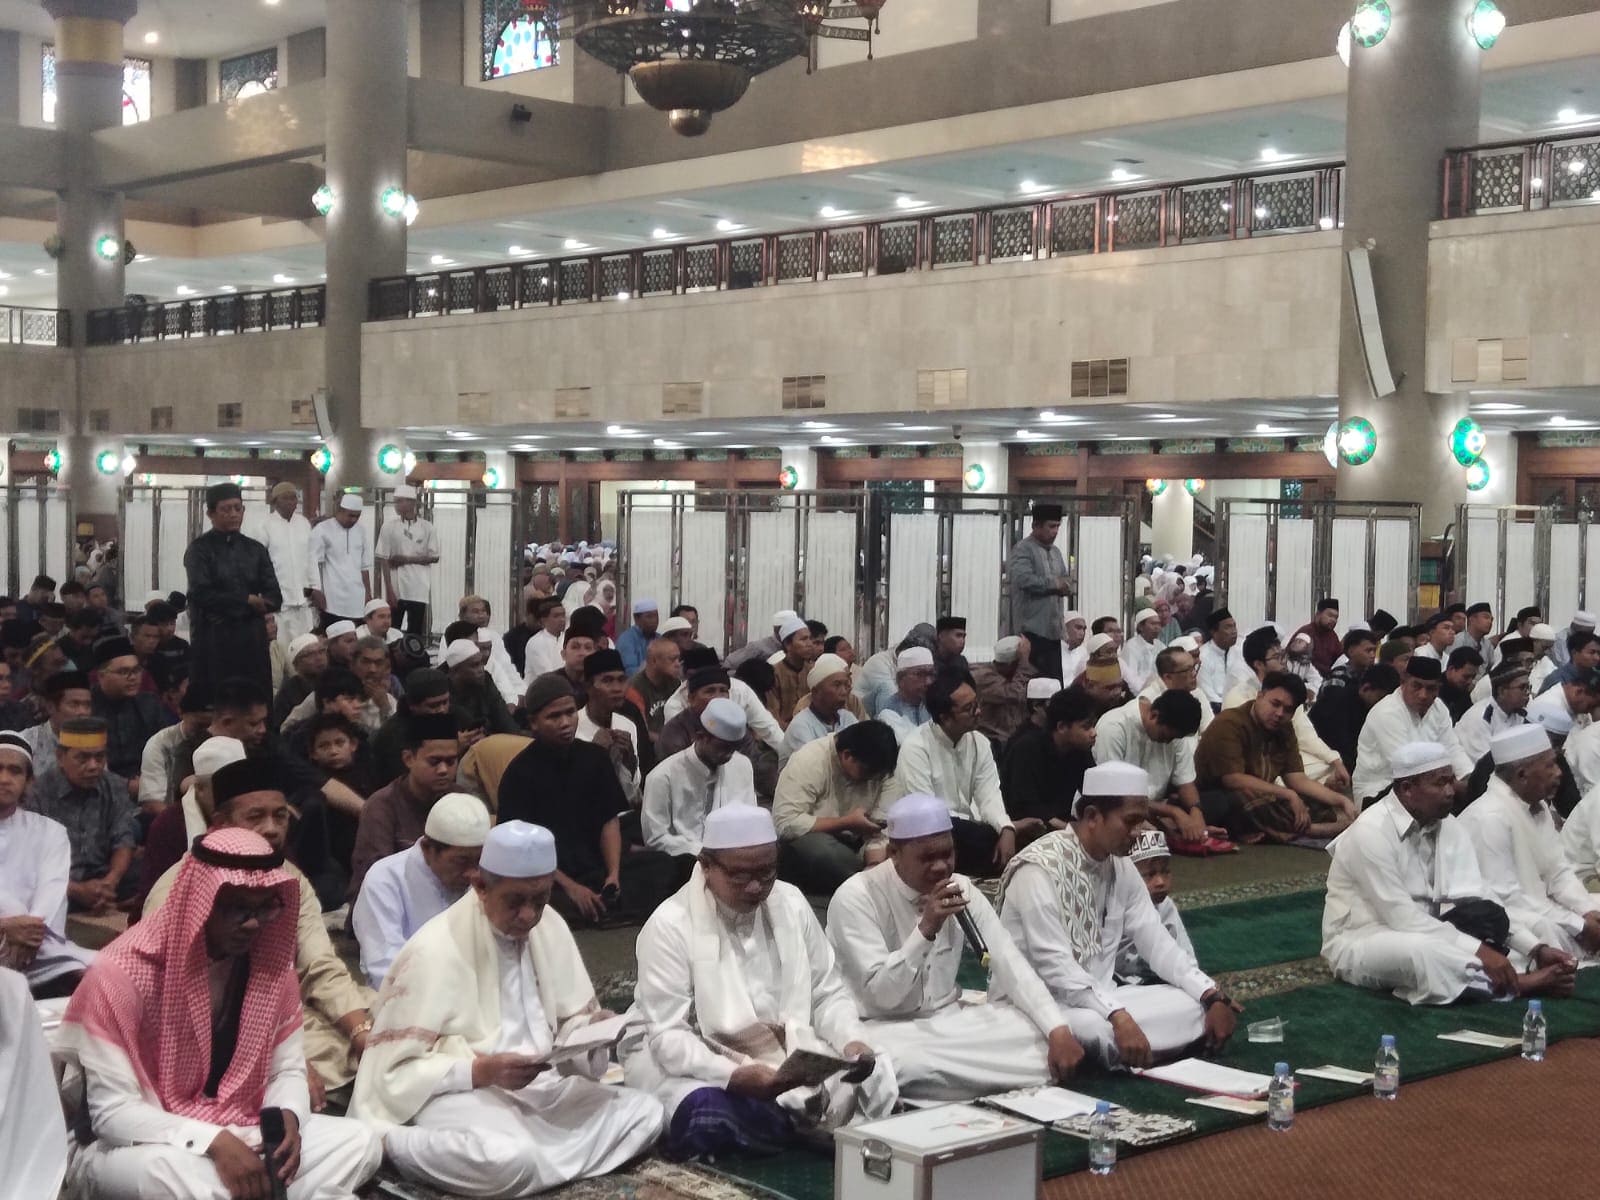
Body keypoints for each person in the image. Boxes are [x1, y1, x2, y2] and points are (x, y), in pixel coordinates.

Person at [63, 828, 384, 1200]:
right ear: (199, 902)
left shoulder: (269, 963)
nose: (253, 924)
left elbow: (287, 1069)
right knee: (167, 1176)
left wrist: (288, 1117)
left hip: (240, 1127)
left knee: (359, 1141)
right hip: (140, 1146)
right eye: (238, 909)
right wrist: (214, 1143)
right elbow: (112, 1114)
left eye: (265, 908)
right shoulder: (120, 973)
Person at [352, 821, 663, 1195]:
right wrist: (481, 1071)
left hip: (543, 1088)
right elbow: (393, 1071)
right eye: (515, 902)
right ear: (480, 887)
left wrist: (593, 1029)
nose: (529, 916)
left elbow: (569, 1029)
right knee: (505, 1159)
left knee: (646, 1113)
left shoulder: (550, 927)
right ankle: (392, 1142)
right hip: (466, 1095)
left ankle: (534, 1169)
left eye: (540, 901)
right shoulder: (433, 950)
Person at [621, 805, 894, 1159]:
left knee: (874, 1069)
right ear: (706, 865)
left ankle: (785, 1125)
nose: (755, 887)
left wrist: (851, 1040)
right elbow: (669, 1037)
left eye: (766, 873)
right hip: (693, 1060)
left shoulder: (791, 902)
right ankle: (794, 1126)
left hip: (787, 1054)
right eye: (739, 876)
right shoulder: (669, 925)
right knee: (704, 1112)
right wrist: (734, 1076)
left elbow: (827, 993)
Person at [827, 793, 1093, 1099]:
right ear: (894, 853)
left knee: (1032, 1031)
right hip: (885, 1027)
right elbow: (883, 996)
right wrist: (925, 930)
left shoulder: (962, 887)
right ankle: (942, 1080)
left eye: (948, 854)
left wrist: (1057, 1029)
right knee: (895, 1061)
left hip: (952, 1024)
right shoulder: (856, 897)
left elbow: (1009, 962)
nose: (941, 867)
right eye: (928, 858)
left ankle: (931, 1087)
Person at [144, 760, 376, 1095]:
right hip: (211, 1029)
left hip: (285, 1006)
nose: (272, 829)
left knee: (389, 1020)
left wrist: (359, 1030)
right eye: (255, 817)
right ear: (220, 825)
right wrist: (283, 1061)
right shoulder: (180, 886)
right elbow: (173, 1001)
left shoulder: (290, 877)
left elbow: (319, 964)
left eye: (280, 816)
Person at [996, 762, 1238, 1067]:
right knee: (1094, 1029)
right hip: (1042, 1005)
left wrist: (1211, 995)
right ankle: (1126, 1045)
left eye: (1142, 822)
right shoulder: (1038, 870)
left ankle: (1125, 1049)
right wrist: (1118, 1016)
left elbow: (1158, 943)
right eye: (1130, 822)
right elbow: (1055, 966)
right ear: (1092, 817)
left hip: (1102, 998)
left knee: (1190, 1003)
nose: (1138, 833)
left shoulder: (1119, 865)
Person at [1322, 740, 1574, 1005]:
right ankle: (1517, 984)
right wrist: (1479, 950)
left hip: (1431, 928)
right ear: (1407, 789)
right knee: (1422, 952)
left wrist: (1536, 948)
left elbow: (1479, 895)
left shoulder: (1448, 825)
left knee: (1494, 923)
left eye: (1451, 781)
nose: (1450, 791)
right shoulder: (1370, 832)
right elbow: (1403, 919)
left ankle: (1499, 973)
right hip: (1363, 938)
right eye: (1440, 783)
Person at [498, 676, 660, 924]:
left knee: (664, 864)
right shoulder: (519, 774)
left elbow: (609, 821)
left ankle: (603, 904)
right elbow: (522, 848)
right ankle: (603, 910)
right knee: (532, 895)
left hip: (595, 867)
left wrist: (613, 875)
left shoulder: (595, 757)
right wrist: (572, 888)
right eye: (554, 717)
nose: (565, 722)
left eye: (570, 713)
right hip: (550, 875)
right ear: (534, 723)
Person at [1459, 725, 1600, 961]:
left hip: (1543, 905)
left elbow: (1559, 872)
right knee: (1544, 929)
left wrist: (1587, 911)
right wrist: (1579, 925)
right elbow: (1507, 900)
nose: (1559, 773)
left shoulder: (1539, 804)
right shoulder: (1489, 817)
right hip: (1507, 917)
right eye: (1550, 766)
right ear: (1522, 775)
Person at [351, 791, 491, 989]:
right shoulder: (384, 879)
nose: (473, 873)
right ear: (427, 848)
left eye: (479, 860)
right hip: (408, 996)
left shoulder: (488, 876)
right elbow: (386, 969)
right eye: (461, 861)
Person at [1196, 671, 1357, 842]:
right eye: (1275, 704)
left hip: (1262, 792)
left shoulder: (1284, 729)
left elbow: (1298, 779)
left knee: (1309, 800)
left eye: (1288, 710)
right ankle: (1310, 830)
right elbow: (1233, 780)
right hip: (1216, 796)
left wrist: (1340, 800)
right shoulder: (1229, 723)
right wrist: (1287, 794)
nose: (1280, 713)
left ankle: (1277, 828)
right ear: (1260, 696)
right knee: (1244, 798)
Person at [0, 731, 96, 996]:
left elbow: (51, 895)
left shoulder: (49, 832)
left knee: (106, 972)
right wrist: (6, 929)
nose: (4, 778)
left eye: (14, 771)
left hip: (37, 949)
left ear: (29, 782)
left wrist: (28, 935)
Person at [895, 671, 1015, 876]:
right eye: (969, 709)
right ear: (945, 717)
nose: (978, 712)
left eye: (977, 704)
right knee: (981, 838)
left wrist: (1006, 828)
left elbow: (989, 796)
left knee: (1004, 838)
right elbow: (925, 814)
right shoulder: (916, 747)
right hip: (929, 832)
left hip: (969, 830)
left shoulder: (979, 742)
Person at [773, 720, 902, 895]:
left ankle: (870, 883)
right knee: (821, 851)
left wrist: (874, 865)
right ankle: (865, 885)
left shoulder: (884, 771)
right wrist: (846, 822)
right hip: (816, 844)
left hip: (861, 848)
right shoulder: (810, 760)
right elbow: (786, 824)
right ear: (847, 755)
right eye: (867, 773)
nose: (872, 779)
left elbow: (882, 827)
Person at [26, 717, 137, 913]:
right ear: (60, 757)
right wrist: (76, 890)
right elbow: (31, 861)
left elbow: (123, 839)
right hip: (58, 881)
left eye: (99, 757)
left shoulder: (114, 785)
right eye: (83, 758)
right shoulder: (37, 794)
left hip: (103, 877)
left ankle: (104, 899)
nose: (93, 766)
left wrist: (111, 881)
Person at [349, 713, 462, 899]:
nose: (443, 770)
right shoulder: (381, 807)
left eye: (450, 762)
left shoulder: (462, 800)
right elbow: (375, 881)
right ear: (409, 759)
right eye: (434, 762)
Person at [185, 481, 282, 698]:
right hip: (214, 640)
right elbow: (201, 594)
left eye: (238, 508)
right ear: (210, 513)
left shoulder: (255, 549)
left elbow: (274, 597)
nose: (233, 514)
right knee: (218, 701)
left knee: (255, 702)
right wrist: (247, 601)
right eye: (226, 509)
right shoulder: (199, 550)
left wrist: (248, 603)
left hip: (252, 641)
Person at [644, 696, 758, 863]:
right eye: (723, 747)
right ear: (700, 737)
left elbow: (749, 821)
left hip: (734, 859)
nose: (728, 755)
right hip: (683, 862)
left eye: (733, 748)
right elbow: (655, 838)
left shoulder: (741, 765)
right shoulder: (662, 776)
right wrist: (704, 852)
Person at [1095, 688, 1208, 846]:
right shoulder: (1113, 727)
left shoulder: (1174, 733)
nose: (1168, 742)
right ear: (1154, 715)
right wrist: (1174, 813)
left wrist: (1196, 812)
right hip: (1113, 805)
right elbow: (1112, 794)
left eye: (1173, 738)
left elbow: (1186, 782)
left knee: (1214, 804)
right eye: (1165, 736)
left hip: (1154, 807)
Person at [1352, 657, 1475, 803]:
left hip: (1426, 782)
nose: (1423, 695)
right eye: (1416, 686)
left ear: (1438, 688)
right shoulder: (1386, 712)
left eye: (1431, 688)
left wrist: (1469, 779)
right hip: (1379, 789)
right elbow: (1406, 764)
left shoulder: (1439, 708)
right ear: (1403, 682)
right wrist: (1452, 784)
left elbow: (1451, 747)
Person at [1001, 686, 1097, 840]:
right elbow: (1027, 809)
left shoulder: (1079, 750)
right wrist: (1074, 830)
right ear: (1062, 727)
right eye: (1086, 727)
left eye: (1093, 726)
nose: (1093, 733)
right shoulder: (1026, 748)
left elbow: (1094, 793)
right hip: (1025, 831)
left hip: (1062, 827)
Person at [1115, 827, 1200, 983]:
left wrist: (1196, 981)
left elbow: (1185, 952)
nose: (1160, 882)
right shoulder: (1113, 906)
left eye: (1165, 872)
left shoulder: (1165, 906)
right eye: (1150, 874)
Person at [92, 635, 174, 794]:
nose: (133, 678)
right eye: (124, 672)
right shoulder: (87, 707)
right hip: (100, 787)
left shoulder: (149, 703)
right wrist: (126, 785)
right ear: (101, 676)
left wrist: (149, 780)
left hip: (149, 783)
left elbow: (166, 749)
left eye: (136, 670)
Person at [1008, 501, 1071, 681]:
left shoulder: (1056, 552)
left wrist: (1065, 586)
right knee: (1034, 685)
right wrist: (1055, 585)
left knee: (1053, 685)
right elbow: (1024, 579)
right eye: (1051, 526)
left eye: (1058, 526)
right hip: (1031, 633)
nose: (1055, 531)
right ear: (1036, 525)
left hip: (1053, 632)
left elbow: (1065, 579)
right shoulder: (1023, 549)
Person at [577, 648, 646, 806]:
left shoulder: (627, 724)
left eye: (621, 680)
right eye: (607, 680)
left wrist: (629, 761)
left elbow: (633, 790)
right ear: (588, 687)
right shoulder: (573, 726)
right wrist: (594, 754)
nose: (617, 688)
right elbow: (572, 790)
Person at [374, 484, 439, 637]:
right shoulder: (388, 527)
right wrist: (389, 590)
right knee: (392, 630)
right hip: (396, 586)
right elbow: (384, 558)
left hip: (419, 587)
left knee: (415, 631)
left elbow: (434, 556)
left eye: (400, 501)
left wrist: (406, 559)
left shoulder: (427, 527)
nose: (396, 505)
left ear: (411, 502)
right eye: (395, 501)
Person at [1310, 662, 1401, 770]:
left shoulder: (1373, 708)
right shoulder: (1336, 703)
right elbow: (1341, 748)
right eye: (1380, 698)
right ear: (1365, 689)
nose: (1384, 704)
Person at [263, 480, 319, 644]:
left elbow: (311, 557)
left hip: (303, 600)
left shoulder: (303, 523)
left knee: (306, 645)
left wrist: (316, 587)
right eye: (285, 498)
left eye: (293, 498)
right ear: (275, 502)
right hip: (279, 602)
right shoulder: (264, 525)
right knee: (282, 646)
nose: (291, 502)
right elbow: (259, 563)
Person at [139, 686, 212, 809]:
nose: (206, 731)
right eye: (200, 725)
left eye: (211, 725)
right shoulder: (160, 744)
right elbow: (152, 802)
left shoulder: (224, 741)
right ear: (181, 713)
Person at [781, 652, 858, 765]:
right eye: (837, 685)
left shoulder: (848, 718)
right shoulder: (801, 725)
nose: (843, 691)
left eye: (846, 685)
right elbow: (813, 766)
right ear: (816, 692)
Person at [312, 493, 373, 627]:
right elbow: (314, 564)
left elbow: (364, 567)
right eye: (350, 515)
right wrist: (316, 590)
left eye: (357, 516)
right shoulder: (322, 529)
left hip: (357, 599)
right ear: (340, 511)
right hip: (332, 600)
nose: (354, 520)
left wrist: (368, 593)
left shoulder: (361, 530)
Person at [1456, 662, 1532, 769]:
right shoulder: (1480, 718)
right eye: (1522, 687)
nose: (1528, 692)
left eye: (1529, 687)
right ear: (1502, 691)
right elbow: (1486, 766)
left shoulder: (1519, 714)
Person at [969, 635, 1035, 746]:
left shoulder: (1014, 676)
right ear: (1012, 664)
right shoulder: (983, 677)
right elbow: (1014, 694)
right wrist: (1023, 664)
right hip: (993, 741)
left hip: (1014, 738)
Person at [626, 635, 684, 743]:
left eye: (678, 659)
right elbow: (640, 730)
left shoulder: (675, 683)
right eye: (672, 659)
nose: (677, 664)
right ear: (654, 661)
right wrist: (668, 743)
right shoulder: (635, 688)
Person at [765, 616, 816, 729]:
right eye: (803, 639)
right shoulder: (774, 674)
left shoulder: (814, 671)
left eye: (810, 638)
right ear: (788, 645)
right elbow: (773, 715)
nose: (810, 644)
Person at [876, 646, 935, 743]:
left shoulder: (933, 705)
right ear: (900, 679)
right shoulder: (889, 713)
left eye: (931, 674)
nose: (928, 682)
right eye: (920, 674)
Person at [1196, 608, 1242, 709]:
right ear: (1213, 632)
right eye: (1228, 627)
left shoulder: (1238, 651)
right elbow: (1208, 695)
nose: (1234, 631)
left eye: (1234, 626)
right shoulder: (1203, 656)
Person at [518, 597, 568, 684]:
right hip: (540, 689)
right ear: (544, 620)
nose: (562, 619)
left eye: (563, 615)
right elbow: (547, 675)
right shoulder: (536, 642)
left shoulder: (567, 639)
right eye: (556, 616)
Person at [1118, 607, 1163, 693]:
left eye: (1158, 624)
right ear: (1141, 627)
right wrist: (1144, 693)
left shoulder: (1160, 645)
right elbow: (1131, 678)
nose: (1157, 627)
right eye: (1153, 624)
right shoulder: (1131, 646)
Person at [1295, 598, 1342, 677]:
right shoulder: (1306, 632)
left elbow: (1339, 658)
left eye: (1336, 617)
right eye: (1330, 615)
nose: (1333, 620)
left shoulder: (1333, 636)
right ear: (1318, 614)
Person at [616, 597, 660, 677]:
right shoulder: (627, 639)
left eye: (656, 616)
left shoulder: (659, 638)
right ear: (636, 619)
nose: (654, 620)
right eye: (649, 616)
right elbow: (630, 672)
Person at [1452, 602, 1498, 671]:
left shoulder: (1487, 645)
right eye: (1486, 617)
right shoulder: (1457, 640)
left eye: (1491, 619)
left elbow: (1491, 669)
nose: (1490, 622)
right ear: (1472, 619)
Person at [1059, 612, 1089, 686]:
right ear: (1064, 628)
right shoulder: (1053, 651)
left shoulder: (1083, 652)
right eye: (1078, 628)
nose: (1082, 633)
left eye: (1084, 629)